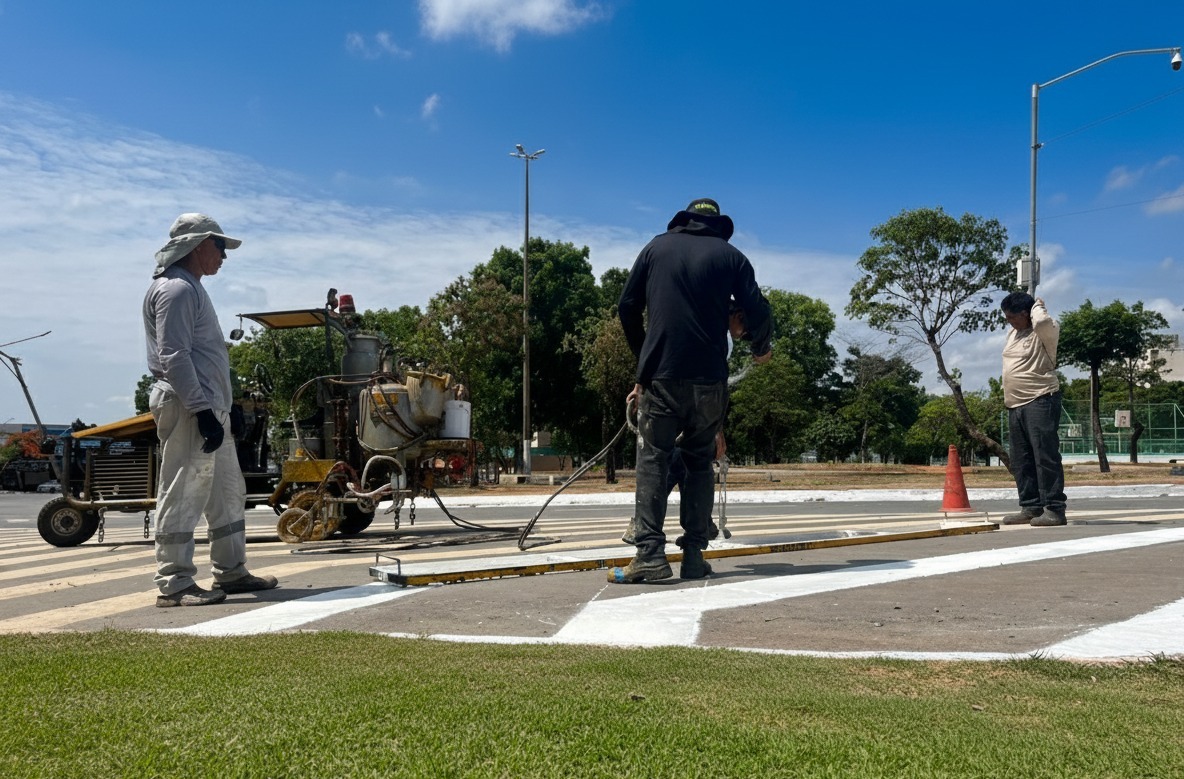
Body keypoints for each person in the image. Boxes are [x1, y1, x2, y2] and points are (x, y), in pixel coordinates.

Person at [611, 198, 772, 583]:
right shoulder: (732, 258)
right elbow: (758, 309)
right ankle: (695, 557)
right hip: (709, 381)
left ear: (684, 220)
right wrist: (760, 347)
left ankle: (650, 555)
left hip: (662, 377)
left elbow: (627, 306)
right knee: (699, 462)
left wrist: (645, 362)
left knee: (653, 459)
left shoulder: (655, 248)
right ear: (718, 226)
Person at [144, 213, 279, 606]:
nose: (223, 255)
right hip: (189, 406)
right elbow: (174, 356)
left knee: (228, 493)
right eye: (219, 246)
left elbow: (205, 358)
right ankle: (174, 583)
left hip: (208, 405)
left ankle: (231, 572)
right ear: (199, 245)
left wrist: (226, 407)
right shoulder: (177, 290)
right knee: (183, 492)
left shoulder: (190, 288)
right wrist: (202, 410)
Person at [1000, 291, 1067, 527]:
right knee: (1021, 460)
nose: (1009, 321)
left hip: (1040, 399)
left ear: (1026, 314)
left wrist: (1037, 305)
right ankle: (1030, 506)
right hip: (1015, 404)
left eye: (1013, 317)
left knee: (1044, 456)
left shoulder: (1045, 332)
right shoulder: (1013, 334)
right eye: (1007, 317)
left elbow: (1042, 321)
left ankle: (1054, 509)